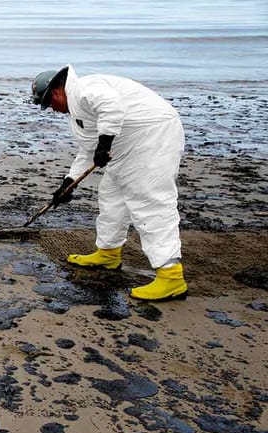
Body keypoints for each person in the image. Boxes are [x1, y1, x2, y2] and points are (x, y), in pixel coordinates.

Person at [31, 65, 188, 301]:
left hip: (152, 136)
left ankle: (171, 276)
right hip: (126, 145)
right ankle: (108, 253)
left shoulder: (85, 89)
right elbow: (88, 150)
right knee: (111, 194)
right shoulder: (78, 110)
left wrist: (105, 143)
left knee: (149, 201)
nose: (52, 109)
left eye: (49, 103)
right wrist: (68, 183)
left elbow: (112, 106)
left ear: (55, 92)